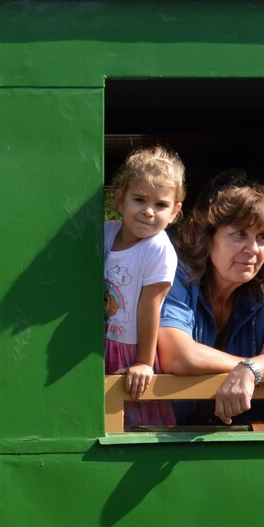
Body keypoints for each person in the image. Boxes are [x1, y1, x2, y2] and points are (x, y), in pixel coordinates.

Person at [157, 171, 264, 426]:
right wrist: (255, 363)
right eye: (240, 234)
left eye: (263, 237)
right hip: (162, 437)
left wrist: (251, 370)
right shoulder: (176, 276)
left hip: (243, 437)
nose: (252, 249)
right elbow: (178, 355)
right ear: (207, 236)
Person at [103, 146, 185, 428]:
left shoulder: (158, 248)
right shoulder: (106, 232)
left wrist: (143, 363)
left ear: (175, 212)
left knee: (132, 423)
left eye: (161, 205)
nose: (149, 211)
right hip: (99, 343)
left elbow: (151, 307)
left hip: (131, 348)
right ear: (119, 199)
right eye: (139, 199)